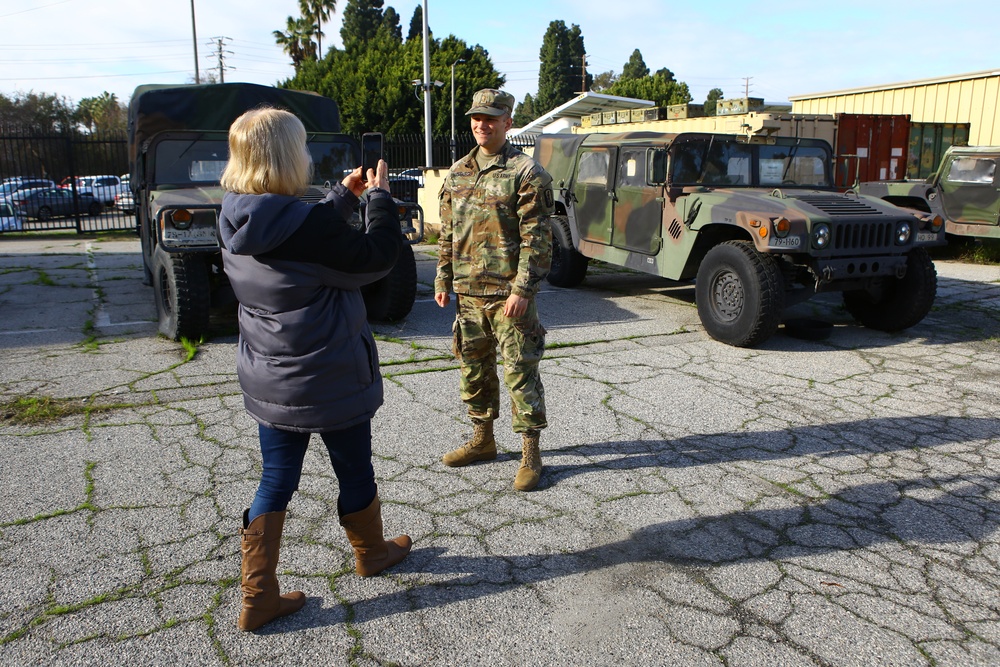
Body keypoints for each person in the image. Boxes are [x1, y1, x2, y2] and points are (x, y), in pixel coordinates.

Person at [217, 107, 411, 632]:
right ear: (283, 156)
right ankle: (370, 552)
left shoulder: (236, 214)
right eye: (299, 147)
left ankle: (257, 597)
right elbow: (377, 257)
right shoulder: (306, 229)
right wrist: (377, 199)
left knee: (275, 479)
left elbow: (299, 232)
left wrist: (340, 198)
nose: (306, 157)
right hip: (329, 374)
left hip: (271, 376)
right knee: (354, 467)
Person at [434, 89, 554, 492]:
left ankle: (530, 454)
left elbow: (537, 238)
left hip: (509, 297)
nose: (481, 124)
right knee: (473, 370)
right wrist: (442, 278)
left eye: (491, 117)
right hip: (468, 295)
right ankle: (482, 441)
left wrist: (523, 288)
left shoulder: (526, 173)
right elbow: (448, 231)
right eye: (476, 118)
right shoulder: (458, 172)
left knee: (520, 372)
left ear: (507, 121)